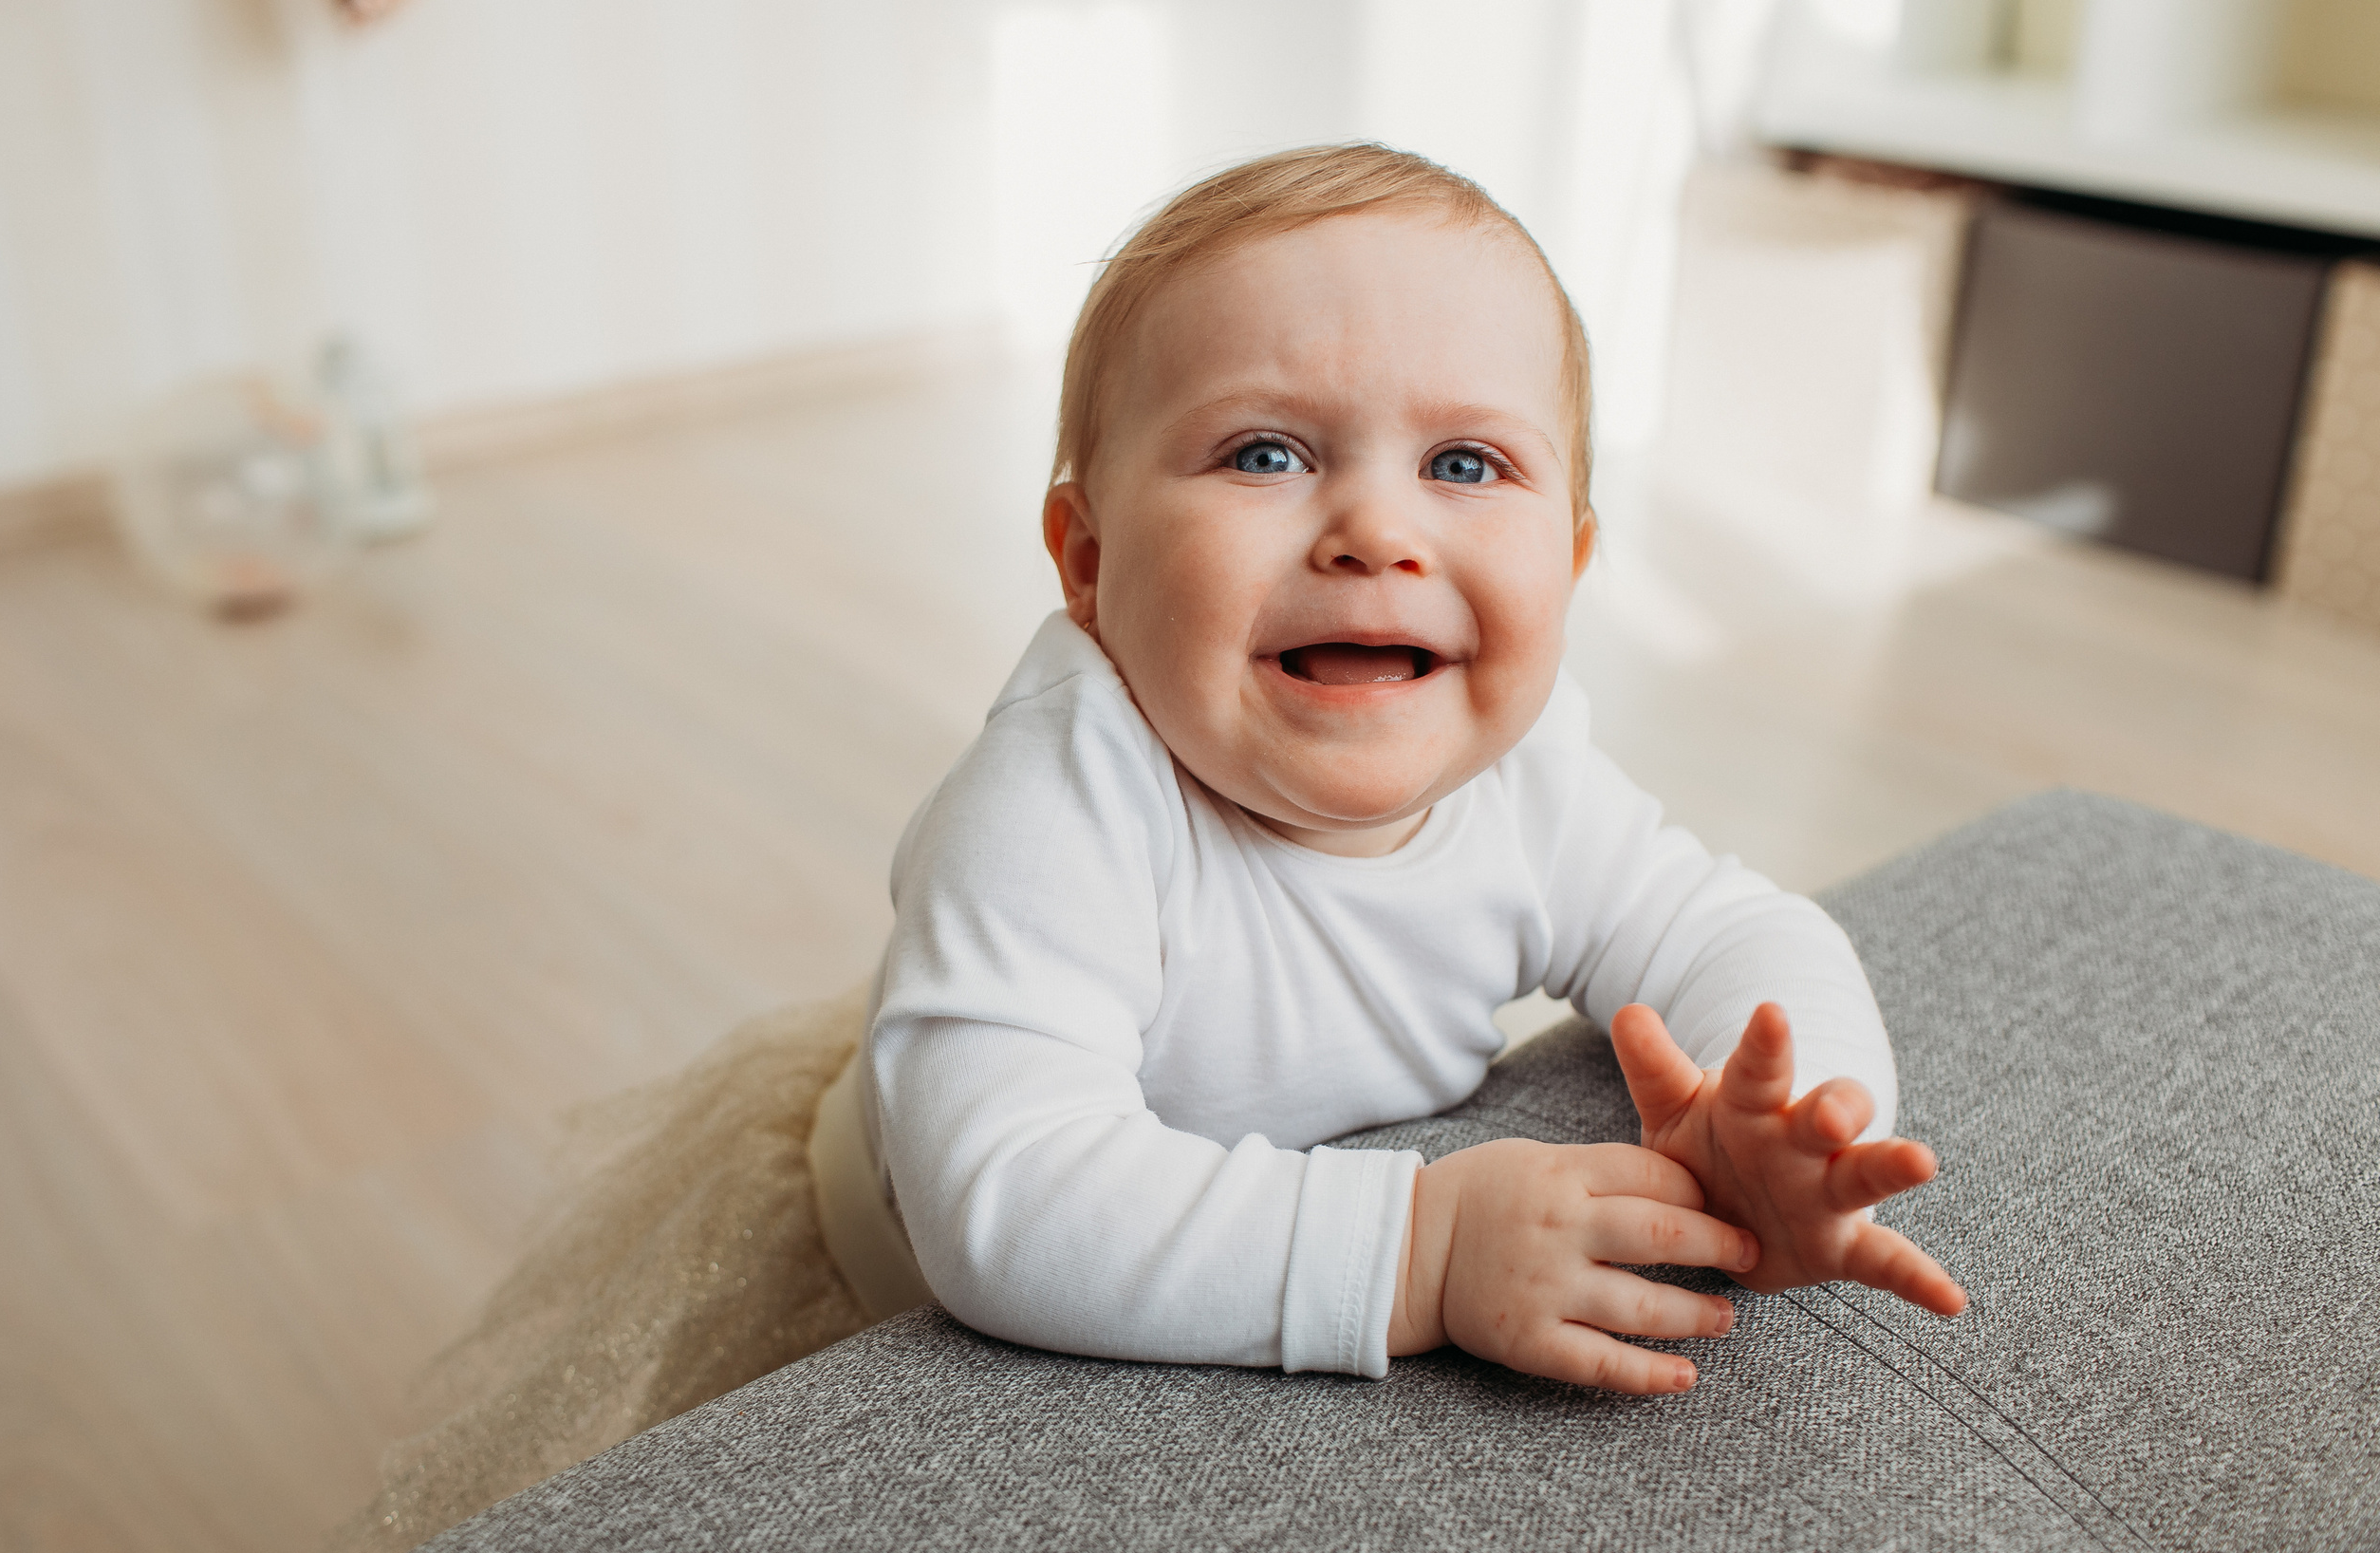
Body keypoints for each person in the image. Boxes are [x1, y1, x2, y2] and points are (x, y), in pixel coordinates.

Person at [809, 141, 1965, 1395]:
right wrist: (1422, 1249)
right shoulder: (1058, 804)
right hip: (899, 1285)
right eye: (1265, 454)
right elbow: (1009, 1202)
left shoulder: (1527, 786)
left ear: (1573, 563)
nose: (1376, 533)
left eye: (1465, 465)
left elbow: (1729, 930)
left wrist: (1798, 1123)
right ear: (1088, 560)